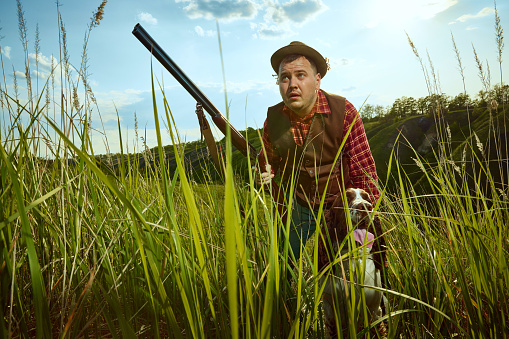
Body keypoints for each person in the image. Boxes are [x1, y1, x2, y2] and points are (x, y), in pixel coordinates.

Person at [257, 41, 380, 266]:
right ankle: (284, 300)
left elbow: (365, 173)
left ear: (317, 80)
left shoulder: (344, 111)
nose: (292, 84)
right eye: (284, 77)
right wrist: (264, 174)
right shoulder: (272, 121)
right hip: (299, 206)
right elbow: (267, 163)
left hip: (340, 207)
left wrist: (366, 219)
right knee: (279, 266)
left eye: (301, 75)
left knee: (344, 272)